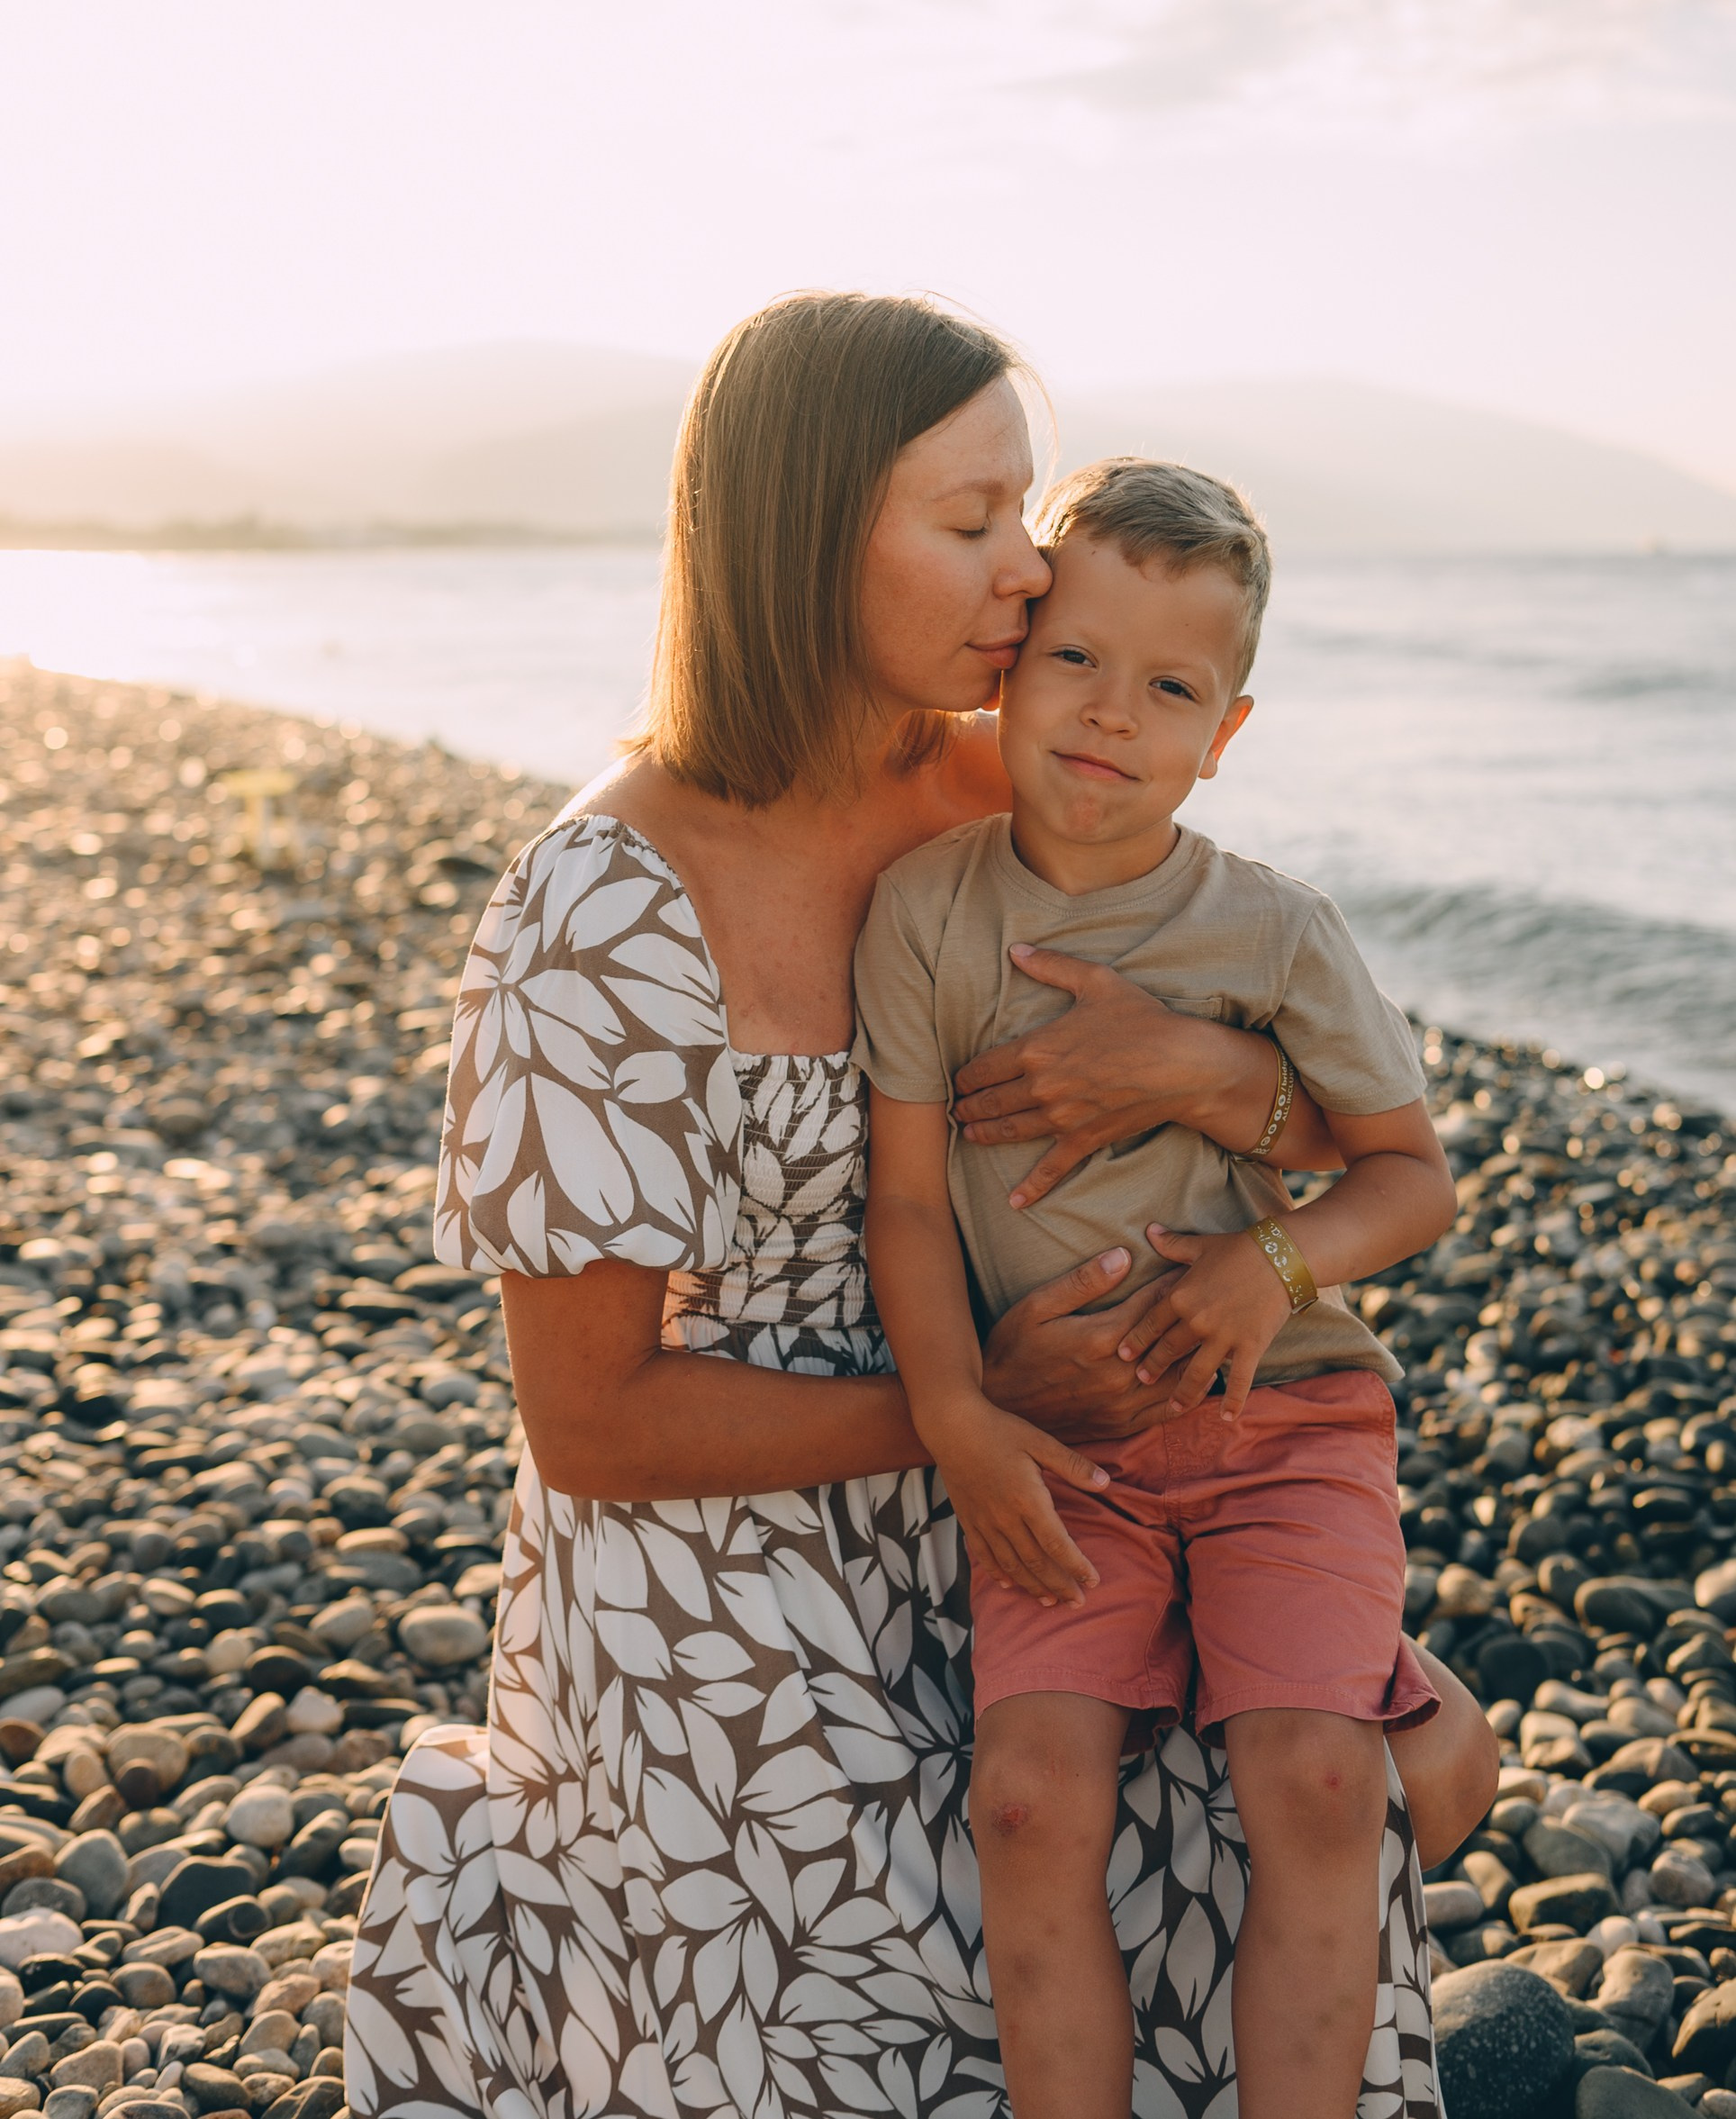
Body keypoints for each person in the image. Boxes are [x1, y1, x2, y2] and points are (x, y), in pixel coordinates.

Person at [345, 293, 1496, 2119]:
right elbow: (587, 1424)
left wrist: (1212, 1083)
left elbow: (1314, 1148)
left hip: (1066, 1480)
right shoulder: (600, 906)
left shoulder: (1013, 790)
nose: (1030, 574)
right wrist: (973, 1416)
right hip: (734, 1542)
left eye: (1022, 513)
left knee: (1316, 1807)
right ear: (808, 533)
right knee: (887, 1961)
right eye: (970, 521)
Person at [856, 456, 1460, 2119]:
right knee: (1034, 1799)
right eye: (1076, 659)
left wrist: (1275, 1264)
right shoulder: (927, 913)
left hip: (1289, 1420)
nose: (1113, 716)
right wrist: (953, 1411)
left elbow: (1410, 1176)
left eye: (1171, 687)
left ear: (1229, 729)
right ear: (1015, 659)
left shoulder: (1273, 933)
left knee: (1319, 1778)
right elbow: (908, 1210)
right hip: (1073, 1459)